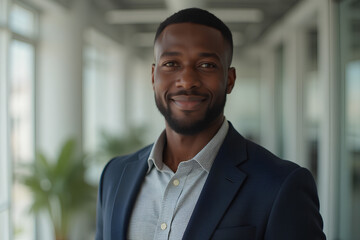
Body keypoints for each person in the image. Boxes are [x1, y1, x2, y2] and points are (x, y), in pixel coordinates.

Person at [95, 8, 325, 240]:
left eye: (206, 65)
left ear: (230, 80)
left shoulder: (280, 185)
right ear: (153, 77)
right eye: (171, 63)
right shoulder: (115, 175)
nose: (187, 81)